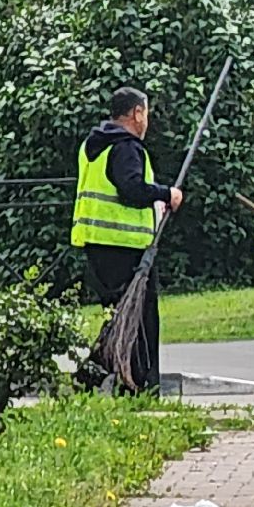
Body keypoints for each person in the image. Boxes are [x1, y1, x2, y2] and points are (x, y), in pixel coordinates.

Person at [72, 87, 182, 394]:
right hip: (127, 249)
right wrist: (165, 194)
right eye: (146, 113)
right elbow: (131, 188)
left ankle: (96, 377)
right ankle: (140, 387)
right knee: (140, 323)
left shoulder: (94, 146)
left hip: (98, 245)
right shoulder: (126, 147)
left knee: (118, 320)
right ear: (136, 113)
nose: (147, 120)